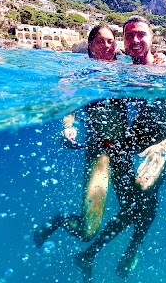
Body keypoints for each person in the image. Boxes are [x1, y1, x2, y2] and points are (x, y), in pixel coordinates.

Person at [73, 15, 166, 281]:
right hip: (139, 136)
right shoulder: (125, 69)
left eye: (141, 34)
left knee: (143, 189)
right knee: (140, 199)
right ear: (124, 41)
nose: (135, 40)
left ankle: (110, 250)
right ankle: (94, 242)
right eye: (129, 35)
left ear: (152, 38)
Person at [34, 24, 129, 246]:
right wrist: (69, 126)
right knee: (88, 231)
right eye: (100, 41)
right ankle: (60, 220)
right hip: (100, 153)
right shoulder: (83, 74)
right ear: (90, 45)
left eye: (110, 41)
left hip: (125, 150)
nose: (107, 45)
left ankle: (91, 257)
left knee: (135, 207)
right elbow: (70, 104)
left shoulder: (125, 70)